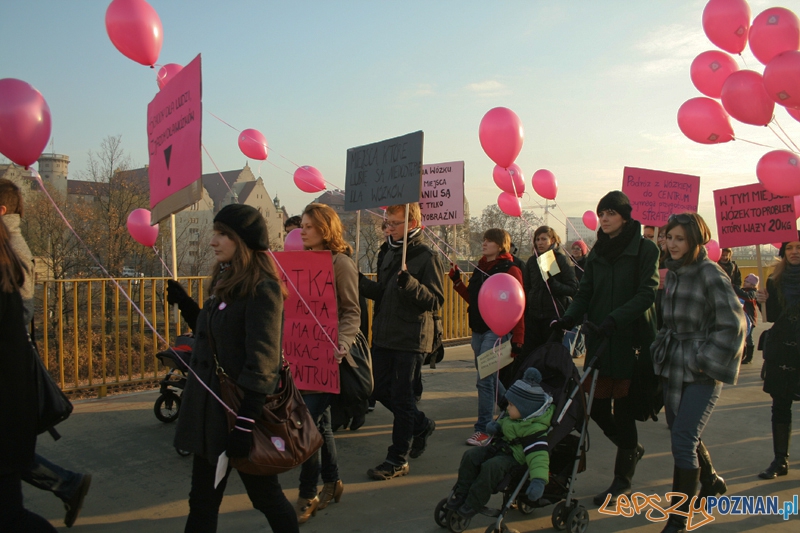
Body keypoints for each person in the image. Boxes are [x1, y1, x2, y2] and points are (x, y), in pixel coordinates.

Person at [168, 204, 298, 533]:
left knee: (266, 499)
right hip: (211, 413)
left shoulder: (263, 290)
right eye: (214, 232)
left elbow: (264, 363)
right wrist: (185, 302)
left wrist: (244, 424)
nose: (213, 241)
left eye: (223, 234)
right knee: (202, 501)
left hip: (239, 416)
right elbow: (214, 333)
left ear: (243, 241)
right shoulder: (225, 277)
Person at [551, 191, 659, 506]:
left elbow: (647, 293)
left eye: (611, 213)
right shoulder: (598, 252)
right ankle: (631, 448)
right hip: (600, 337)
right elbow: (585, 293)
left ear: (625, 216)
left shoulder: (645, 249)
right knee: (595, 407)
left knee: (623, 411)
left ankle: (622, 479)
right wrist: (567, 318)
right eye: (602, 214)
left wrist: (616, 319)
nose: (605, 219)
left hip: (630, 340)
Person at [1, 178, 92, 529]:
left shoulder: (12, 251)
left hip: (11, 366)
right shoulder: (10, 246)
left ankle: (67, 483)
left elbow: (21, 311)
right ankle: (67, 483)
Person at [650, 213, 745, 533]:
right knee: (683, 430)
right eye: (669, 237)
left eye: (679, 238)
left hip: (701, 370)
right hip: (675, 364)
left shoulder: (709, 273)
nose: (672, 244)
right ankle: (710, 479)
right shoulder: (674, 271)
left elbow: (734, 323)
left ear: (693, 240)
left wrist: (706, 359)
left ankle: (678, 519)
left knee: (682, 439)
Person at [359, 202, 444, 480]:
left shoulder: (425, 255)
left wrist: (411, 284)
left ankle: (397, 458)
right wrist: (356, 280)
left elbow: (435, 300)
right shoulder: (387, 251)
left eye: (393, 223)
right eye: (386, 223)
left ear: (411, 223)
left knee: (403, 398)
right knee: (375, 388)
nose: (388, 228)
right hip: (384, 334)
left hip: (411, 337)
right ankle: (420, 425)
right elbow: (383, 293)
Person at [295, 203, 360, 523]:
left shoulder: (341, 264)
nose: (301, 230)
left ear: (324, 229)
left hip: (328, 357)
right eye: (302, 226)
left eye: (307, 226)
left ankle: (308, 492)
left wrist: (343, 342)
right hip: (302, 357)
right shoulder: (302, 262)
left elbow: (351, 311)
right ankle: (333, 481)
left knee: (307, 424)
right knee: (319, 424)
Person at [0, 217, 58, 533]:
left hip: (8, 412)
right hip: (12, 412)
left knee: (10, 518)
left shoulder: (5, 273)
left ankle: (68, 484)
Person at [449, 229, 525, 446]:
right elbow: (475, 300)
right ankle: (515, 405)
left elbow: (518, 305)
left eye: (489, 241)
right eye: (484, 240)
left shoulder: (511, 269)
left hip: (497, 330)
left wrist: (518, 337)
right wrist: (457, 282)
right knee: (489, 376)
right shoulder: (480, 268)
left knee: (484, 379)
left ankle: (484, 429)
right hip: (479, 328)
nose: (484, 244)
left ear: (501, 245)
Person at [446, 368, 553, 520]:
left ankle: (473, 502)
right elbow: (503, 423)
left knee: (491, 467)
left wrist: (538, 480)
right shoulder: (512, 418)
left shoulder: (534, 430)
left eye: (511, 405)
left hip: (514, 458)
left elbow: (539, 458)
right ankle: (462, 492)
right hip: (498, 448)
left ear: (525, 409)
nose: (507, 408)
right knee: (470, 455)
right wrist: (496, 426)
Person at [756, 232, 800, 480]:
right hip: (782, 351)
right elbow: (771, 317)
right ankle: (780, 460)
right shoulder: (774, 280)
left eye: (799, 247)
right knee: (780, 406)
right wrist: (765, 301)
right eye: (790, 248)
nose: (794, 252)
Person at [524, 226, 578, 353]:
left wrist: (553, 284)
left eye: (543, 239)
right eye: (537, 239)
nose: (540, 242)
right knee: (532, 353)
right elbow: (527, 287)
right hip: (534, 316)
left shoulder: (561, 259)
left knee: (550, 354)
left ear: (552, 240)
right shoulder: (532, 261)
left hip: (554, 315)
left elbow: (572, 288)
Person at [740, 274, 759, 365]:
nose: (744, 283)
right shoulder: (743, 291)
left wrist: (734, 287)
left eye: (747, 282)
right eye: (744, 281)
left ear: (752, 285)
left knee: (748, 337)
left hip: (750, 318)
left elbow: (747, 297)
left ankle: (749, 356)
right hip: (742, 318)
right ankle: (742, 355)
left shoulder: (753, 293)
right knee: (742, 337)